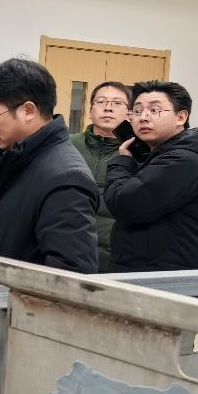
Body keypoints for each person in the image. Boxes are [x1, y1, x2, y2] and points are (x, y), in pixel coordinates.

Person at [0, 58, 98, 336]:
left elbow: (69, 280)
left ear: (28, 110)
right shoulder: (18, 160)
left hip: (17, 332)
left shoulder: (65, 178)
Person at [105, 81, 198, 272]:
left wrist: (123, 162)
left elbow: (123, 203)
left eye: (154, 110)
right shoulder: (162, 156)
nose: (143, 117)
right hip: (150, 272)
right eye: (137, 111)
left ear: (181, 117)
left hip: (163, 278)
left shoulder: (182, 161)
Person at [70, 82, 132, 271]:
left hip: (116, 256)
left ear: (130, 114)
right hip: (68, 249)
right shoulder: (66, 145)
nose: (108, 108)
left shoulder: (137, 152)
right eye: (101, 101)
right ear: (90, 110)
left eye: (117, 103)